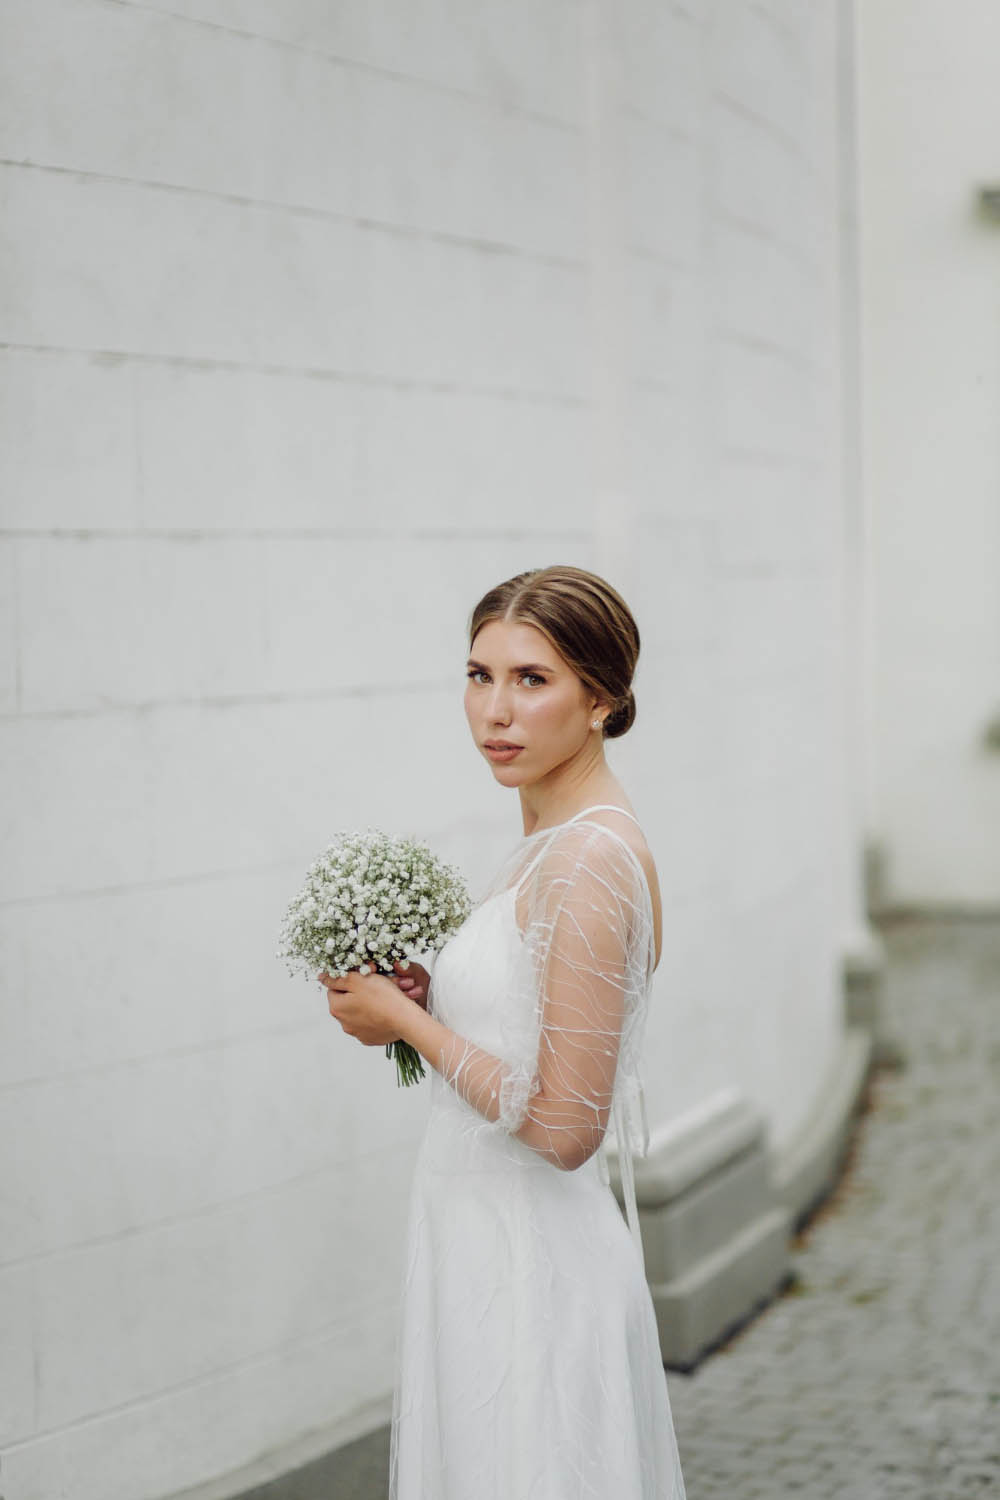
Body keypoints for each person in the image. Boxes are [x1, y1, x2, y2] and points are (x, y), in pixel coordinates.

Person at [319, 564, 687, 1498]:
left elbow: (566, 1127)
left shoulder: (589, 860)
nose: (496, 712)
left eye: (533, 680)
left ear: (599, 699)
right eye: (480, 676)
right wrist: (430, 1001)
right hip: (481, 1244)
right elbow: (526, 1038)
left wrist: (405, 1019)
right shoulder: (549, 844)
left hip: (535, 1269)